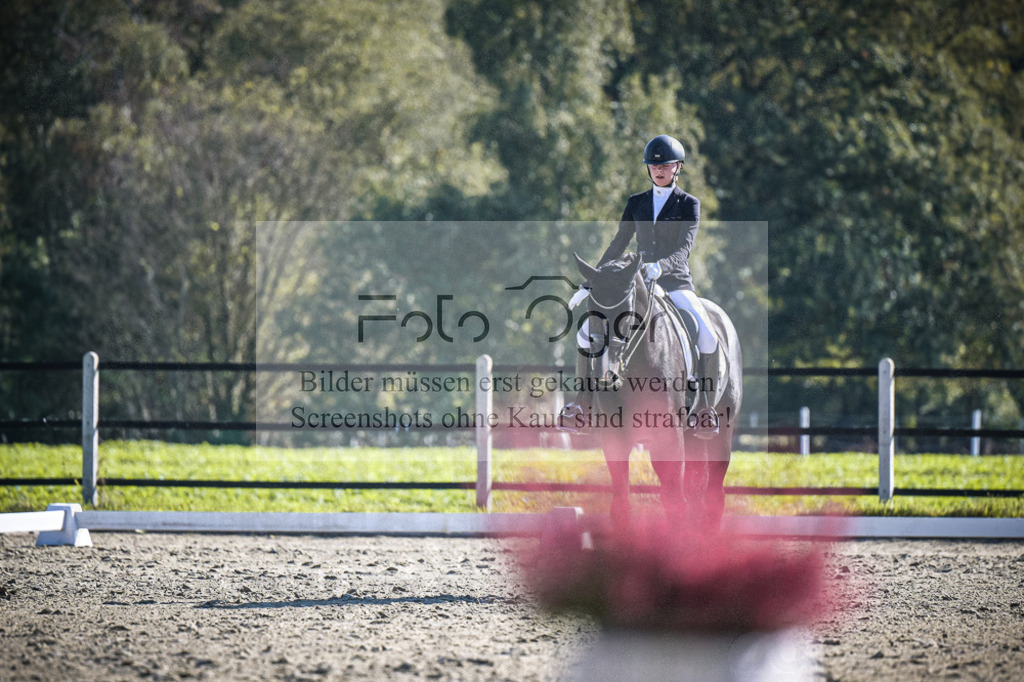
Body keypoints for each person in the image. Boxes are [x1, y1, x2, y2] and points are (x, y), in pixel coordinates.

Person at [561, 134, 722, 437]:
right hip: (635, 283)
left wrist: (661, 266)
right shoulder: (636, 203)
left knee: (708, 334)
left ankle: (704, 409)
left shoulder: (689, 204)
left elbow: (684, 249)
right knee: (585, 332)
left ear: (679, 168)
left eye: (666, 165)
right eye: (654, 165)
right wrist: (589, 282)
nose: (659, 170)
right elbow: (617, 245)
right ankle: (582, 403)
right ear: (648, 168)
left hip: (674, 283)